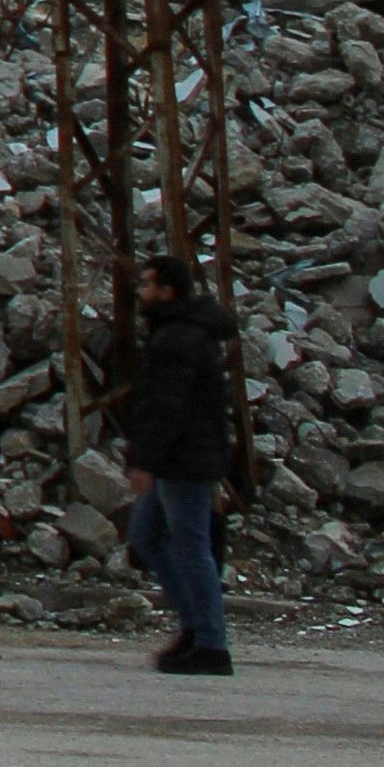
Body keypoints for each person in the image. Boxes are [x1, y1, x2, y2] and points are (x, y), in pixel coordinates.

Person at [122, 251, 240, 677]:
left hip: (183, 460)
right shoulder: (177, 331)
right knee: (148, 537)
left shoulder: (177, 339)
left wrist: (144, 461)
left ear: (166, 291)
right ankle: (195, 627)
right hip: (183, 456)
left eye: (146, 284)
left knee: (190, 548)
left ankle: (211, 644)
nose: (140, 292)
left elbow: (166, 408)